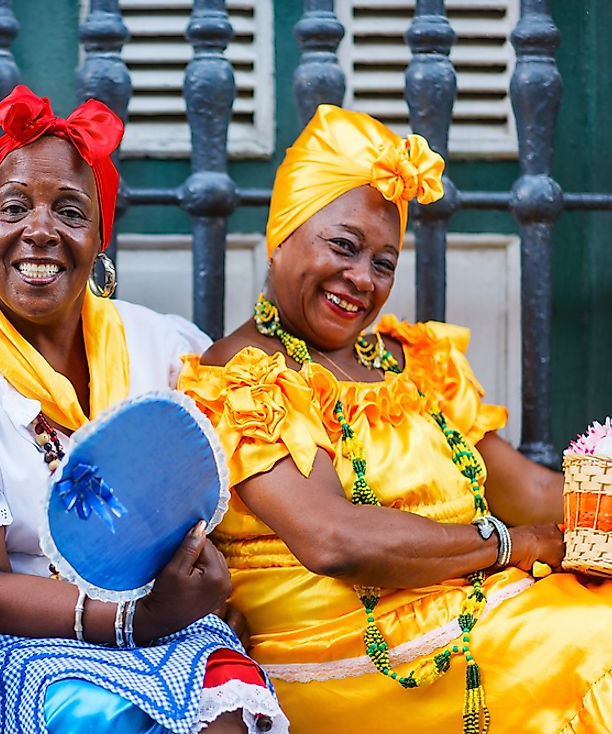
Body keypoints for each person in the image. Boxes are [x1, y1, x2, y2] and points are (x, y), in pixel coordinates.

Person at [0, 85, 287, 734]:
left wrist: (208, 591)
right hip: (9, 645)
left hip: (162, 622)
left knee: (225, 708)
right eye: (14, 208)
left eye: (69, 210)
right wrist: (134, 619)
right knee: (103, 718)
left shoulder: (161, 347)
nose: (40, 230)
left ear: (98, 237)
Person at [179, 103, 612, 733]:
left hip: (469, 609)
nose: (361, 279)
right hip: (341, 653)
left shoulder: (414, 362)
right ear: (281, 235)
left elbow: (532, 490)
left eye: (384, 262)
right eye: (344, 246)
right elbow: (335, 541)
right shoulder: (245, 377)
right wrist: (516, 545)